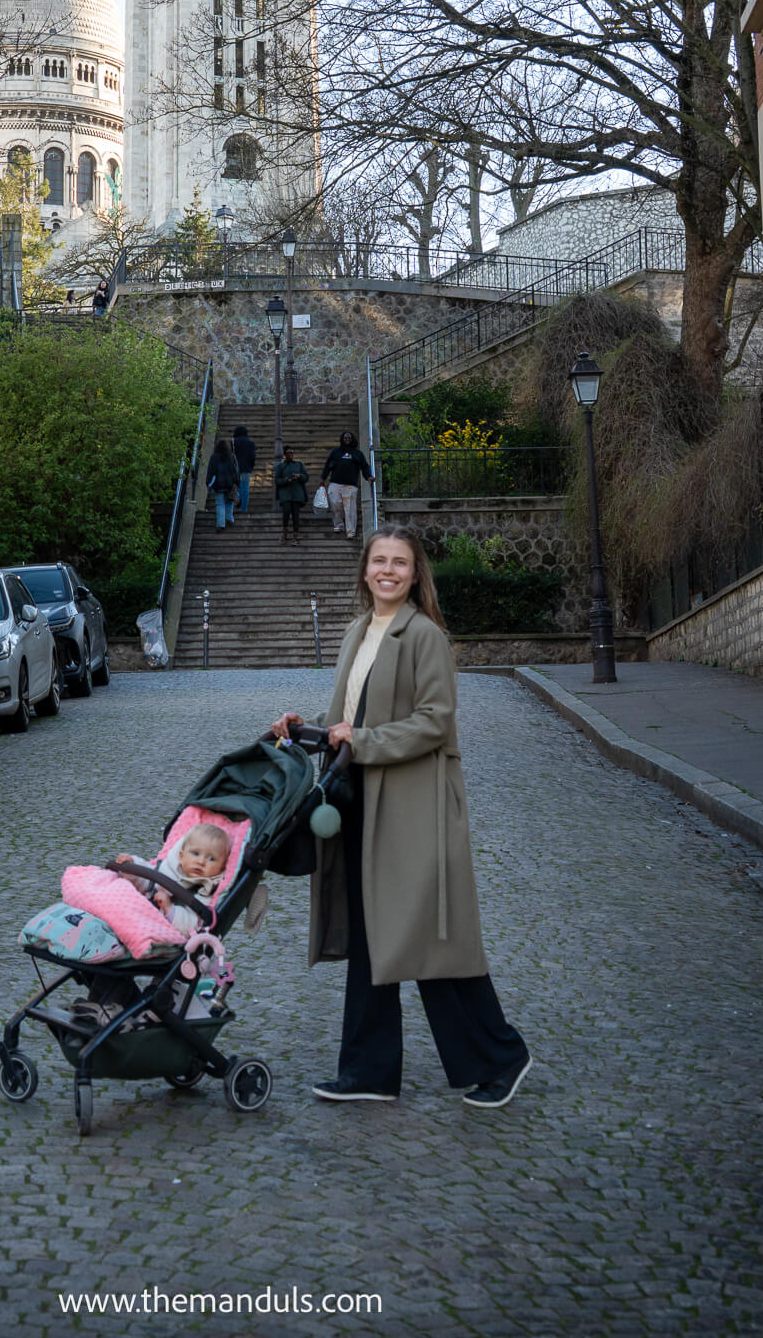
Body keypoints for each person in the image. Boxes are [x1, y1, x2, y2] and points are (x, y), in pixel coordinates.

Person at [271, 523, 530, 1109]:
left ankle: (501, 1056)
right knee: (370, 934)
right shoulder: (357, 631)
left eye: (400, 563)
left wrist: (360, 740)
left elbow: (435, 721)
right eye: (379, 561)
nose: (388, 570)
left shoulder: (425, 635)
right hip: (362, 799)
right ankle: (367, 1071)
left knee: (428, 937)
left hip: (415, 806)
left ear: (415, 575)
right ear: (365, 570)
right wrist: (303, 727)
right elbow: (350, 718)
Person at [117, 824, 231, 934]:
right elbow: (148, 880)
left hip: (159, 930)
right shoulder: (169, 869)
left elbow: (193, 925)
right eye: (195, 853)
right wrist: (131, 866)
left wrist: (169, 908)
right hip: (135, 913)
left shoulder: (203, 892)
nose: (201, 862)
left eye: (211, 859)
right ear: (181, 856)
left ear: (221, 867)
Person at [320, 429, 374, 540]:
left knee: (350, 509)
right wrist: (323, 478)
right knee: (335, 504)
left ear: (352, 439)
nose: (347, 440)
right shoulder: (335, 452)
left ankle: (351, 531)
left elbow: (364, 466)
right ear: (342, 440)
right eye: (345, 438)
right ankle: (338, 525)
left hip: (350, 486)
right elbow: (327, 465)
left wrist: (368, 476)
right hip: (335, 484)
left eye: (349, 438)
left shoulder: (358, 454)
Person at [274, 445, 309, 544]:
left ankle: (295, 536)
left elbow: (306, 477)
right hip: (285, 494)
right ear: (285, 454)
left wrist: (299, 476)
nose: (291, 454)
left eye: (292, 452)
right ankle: (284, 533)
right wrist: (285, 480)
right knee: (286, 511)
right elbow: (277, 480)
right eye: (289, 452)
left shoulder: (299, 464)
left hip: (297, 493)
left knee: (295, 515)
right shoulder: (280, 466)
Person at [205, 437, 238, 530]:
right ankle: (229, 519)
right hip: (230, 483)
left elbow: (210, 471)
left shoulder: (213, 457)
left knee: (220, 504)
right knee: (229, 501)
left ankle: (220, 524)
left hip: (217, 484)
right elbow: (236, 471)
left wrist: (208, 483)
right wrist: (237, 482)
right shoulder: (231, 456)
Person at [232, 424, 257, 514]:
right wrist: (251, 466)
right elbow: (253, 456)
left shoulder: (233, 442)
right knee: (245, 487)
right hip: (246, 468)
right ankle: (244, 508)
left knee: (235, 486)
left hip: (234, 468)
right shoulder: (251, 443)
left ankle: (236, 502)